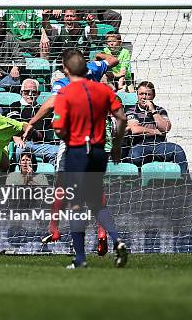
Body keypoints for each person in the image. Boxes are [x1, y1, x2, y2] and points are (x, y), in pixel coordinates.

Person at [22, 50, 118, 245]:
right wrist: (99, 56)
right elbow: (113, 60)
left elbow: (52, 102)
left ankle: (54, 230)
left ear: (65, 68)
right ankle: (101, 232)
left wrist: (32, 122)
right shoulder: (93, 70)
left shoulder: (62, 84)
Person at [52, 48, 128, 268]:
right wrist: (116, 144)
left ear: (65, 69)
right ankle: (118, 240)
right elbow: (121, 118)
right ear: (86, 67)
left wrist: (67, 135)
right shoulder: (103, 90)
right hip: (98, 151)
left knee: (76, 205)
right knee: (96, 202)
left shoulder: (65, 93)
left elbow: (58, 129)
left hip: (77, 151)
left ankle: (80, 259)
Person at [125, 81, 189, 176]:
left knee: (178, 150)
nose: (144, 97)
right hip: (140, 144)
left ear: (153, 96)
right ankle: (137, 184)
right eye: (141, 94)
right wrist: (156, 131)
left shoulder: (160, 110)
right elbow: (135, 129)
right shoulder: (131, 111)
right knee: (134, 156)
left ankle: (186, 180)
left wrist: (153, 111)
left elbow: (166, 128)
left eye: (148, 94)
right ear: (137, 95)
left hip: (159, 145)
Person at [5, 79, 58, 165]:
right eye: (26, 92)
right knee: (20, 150)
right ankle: (19, 176)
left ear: (38, 94)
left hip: (40, 145)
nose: (30, 95)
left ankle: (52, 176)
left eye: (34, 92)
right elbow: (13, 125)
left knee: (59, 152)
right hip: (23, 144)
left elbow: (42, 131)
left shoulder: (42, 110)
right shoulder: (15, 106)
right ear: (21, 92)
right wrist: (18, 136)